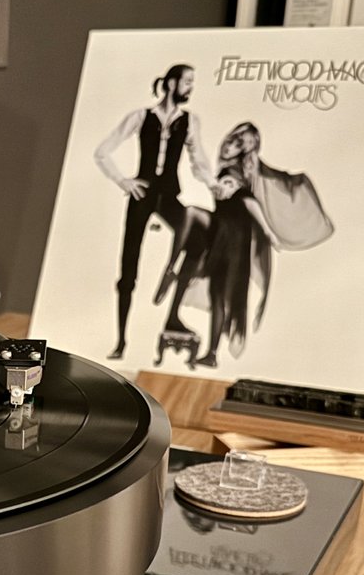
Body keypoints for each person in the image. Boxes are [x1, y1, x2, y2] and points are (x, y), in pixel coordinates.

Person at [95, 64, 216, 361]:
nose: (190, 88)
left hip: (169, 196)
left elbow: (199, 160)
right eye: (187, 82)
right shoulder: (141, 116)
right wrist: (123, 180)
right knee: (129, 265)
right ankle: (121, 341)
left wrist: (213, 184)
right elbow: (102, 151)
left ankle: (172, 281)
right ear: (172, 83)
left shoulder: (190, 121)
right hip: (143, 194)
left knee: (199, 239)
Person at [192, 121, 334, 368]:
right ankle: (213, 351)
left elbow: (249, 201)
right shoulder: (230, 168)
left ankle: (213, 351)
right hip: (228, 236)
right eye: (234, 140)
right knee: (220, 294)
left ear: (244, 152)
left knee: (220, 293)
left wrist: (269, 232)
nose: (231, 146)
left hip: (231, 239)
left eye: (240, 145)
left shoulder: (232, 173)